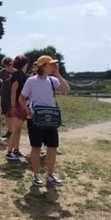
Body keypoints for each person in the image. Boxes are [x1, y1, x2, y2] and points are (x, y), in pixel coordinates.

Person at [19, 55, 71, 186]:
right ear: (43, 66)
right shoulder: (31, 81)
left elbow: (66, 90)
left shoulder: (53, 80)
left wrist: (58, 73)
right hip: (35, 118)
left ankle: (50, 174)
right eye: (51, 64)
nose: (53, 66)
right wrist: (27, 110)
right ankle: (36, 175)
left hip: (50, 119)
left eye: (54, 64)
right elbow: (21, 98)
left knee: (52, 147)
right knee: (36, 147)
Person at [4, 55, 29, 161]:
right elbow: (13, 92)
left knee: (18, 130)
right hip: (16, 105)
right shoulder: (17, 75)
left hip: (21, 105)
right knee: (15, 130)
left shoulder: (24, 75)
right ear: (24, 64)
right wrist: (13, 106)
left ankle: (16, 150)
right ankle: (9, 152)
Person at [0, 56, 15, 139]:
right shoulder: (2, 72)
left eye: (8, 65)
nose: (7, 67)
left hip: (13, 97)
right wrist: (0, 82)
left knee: (12, 115)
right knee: (6, 114)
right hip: (4, 96)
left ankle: (13, 131)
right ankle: (9, 131)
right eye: (5, 66)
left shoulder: (17, 72)